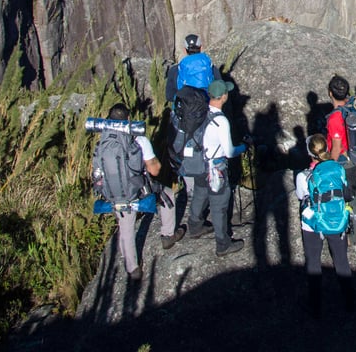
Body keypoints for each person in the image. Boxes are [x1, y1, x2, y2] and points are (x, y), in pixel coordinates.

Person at [95, 103, 181, 281]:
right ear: (128, 119)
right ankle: (167, 235)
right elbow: (154, 170)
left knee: (126, 228)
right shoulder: (138, 140)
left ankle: (133, 268)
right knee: (167, 194)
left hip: (114, 194)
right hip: (138, 191)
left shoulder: (102, 143)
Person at [185, 78, 247, 256]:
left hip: (199, 163)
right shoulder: (221, 120)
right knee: (219, 204)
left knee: (199, 193)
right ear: (224, 96)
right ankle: (223, 243)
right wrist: (244, 146)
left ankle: (195, 225)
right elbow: (229, 151)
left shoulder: (201, 112)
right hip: (215, 167)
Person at [296, 133, 354, 319]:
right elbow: (345, 192)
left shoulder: (304, 176)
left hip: (312, 225)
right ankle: (350, 301)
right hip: (337, 221)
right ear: (327, 149)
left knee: (313, 262)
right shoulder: (338, 169)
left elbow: (301, 196)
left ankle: (315, 307)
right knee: (341, 261)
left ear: (309, 153)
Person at [325, 74, 356, 239]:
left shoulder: (335, 118)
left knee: (348, 197)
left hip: (345, 162)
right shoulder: (353, 107)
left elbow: (337, 147)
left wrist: (330, 165)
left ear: (330, 93)